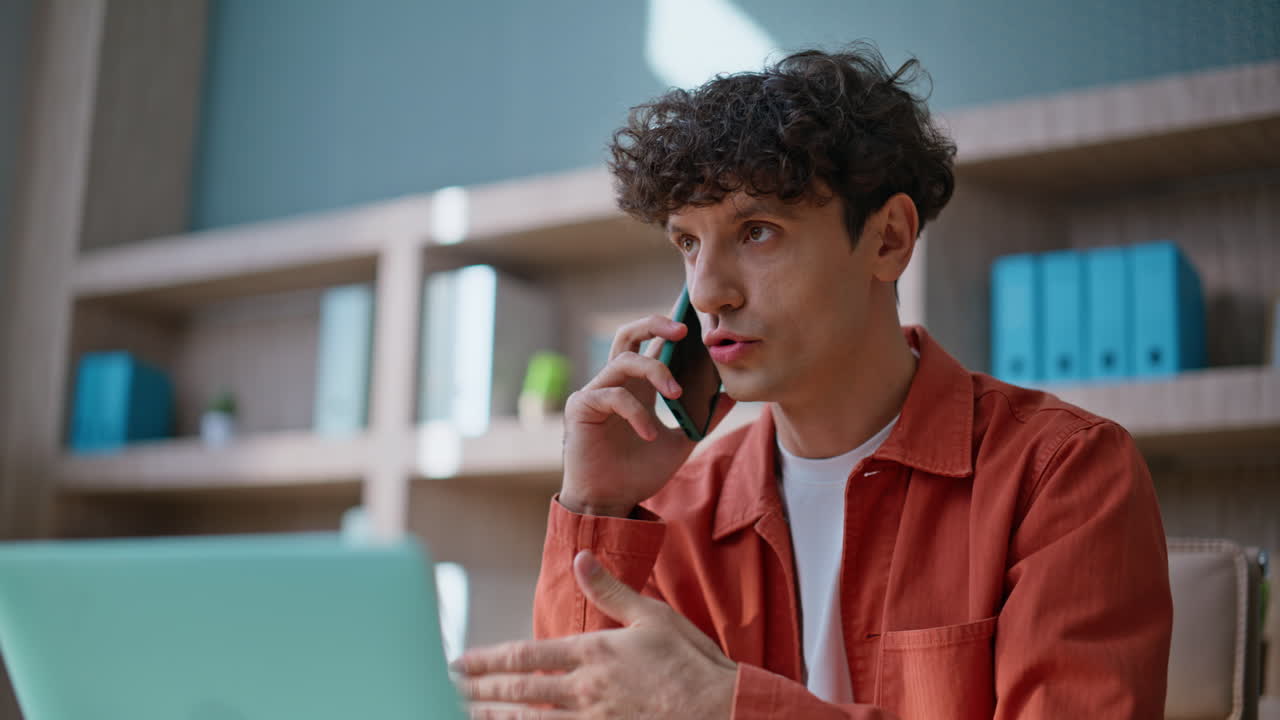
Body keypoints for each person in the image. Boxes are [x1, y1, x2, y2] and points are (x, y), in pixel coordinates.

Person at [454, 44, 1172, 719]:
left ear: (888, 240)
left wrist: (727, 704)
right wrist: (598, 506)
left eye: (757, 231)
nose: (708, 293)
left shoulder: (1063, 476)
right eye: (687, 242)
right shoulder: (679, 513)